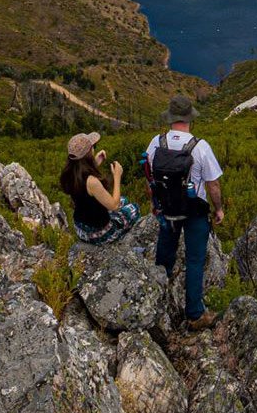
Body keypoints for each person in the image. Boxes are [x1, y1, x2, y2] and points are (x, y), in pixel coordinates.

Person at [145, 94, 224, 331]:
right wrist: (218, 208)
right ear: (190, 119)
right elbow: (213, 185)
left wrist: (154, 202)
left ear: (171, 118)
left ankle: (156, 301)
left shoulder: (156, 142)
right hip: (194, 211)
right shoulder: (200, 147)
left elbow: (149, 177)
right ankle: (195, 314)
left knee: (164, 254)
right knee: (195, 260)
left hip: (167, 207)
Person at [61, 131, 140, 245]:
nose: (94, 149)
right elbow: (114, 206)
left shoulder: (70, 173)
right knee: (134, 208)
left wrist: (95, 163)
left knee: (123, 200)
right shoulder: (92, 182)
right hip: (98, 233)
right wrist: (117, 176)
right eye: (93, 147)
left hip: (81, 228)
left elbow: (84, 186)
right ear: (88, 153)